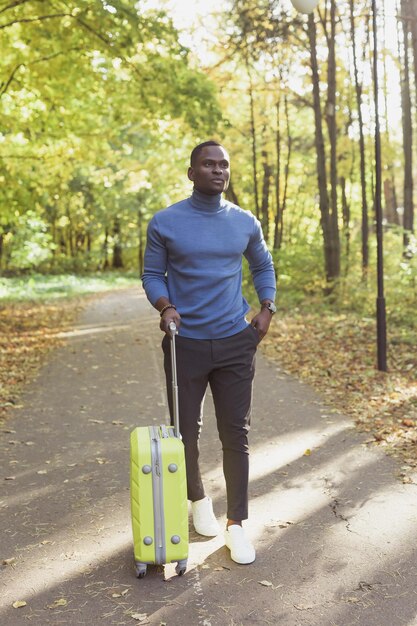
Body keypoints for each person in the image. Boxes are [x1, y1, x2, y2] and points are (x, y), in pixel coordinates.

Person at [142, 140, 276, 564]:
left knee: (236, 433)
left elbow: (262, 265)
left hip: (236, 340)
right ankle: (198, 500)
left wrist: (267, 307)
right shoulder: (166, 222)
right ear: (192, 173)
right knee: (185, 432)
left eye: (224, 165)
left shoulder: (244, 221)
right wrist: (166, 307)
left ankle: (237, 525)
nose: (218, 171)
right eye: (209, 164)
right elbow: (151, 274)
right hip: (185, 342)